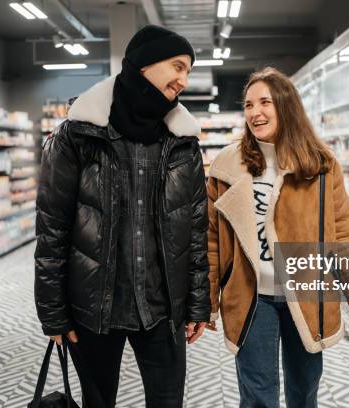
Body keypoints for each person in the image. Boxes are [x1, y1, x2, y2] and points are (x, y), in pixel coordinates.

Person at [34, 25, 210, 408]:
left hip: (162, 309)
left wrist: (197, 304)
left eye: (189, 72)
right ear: (144, 64)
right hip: (94, 307)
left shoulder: (184, 144)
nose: (183, 80)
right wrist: (53, 313)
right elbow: (52, 229)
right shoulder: (76, 136)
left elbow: (195, 231)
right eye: (178, 66)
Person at [206, 67, 349, 408]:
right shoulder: (227, 166)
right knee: (259, 395)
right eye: (248, 105)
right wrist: (206, 302)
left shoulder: (319, 163)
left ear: (286, 106)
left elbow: (342, 233)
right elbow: (212, 240)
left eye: (265, 102)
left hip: (305, 293)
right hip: (251, 296)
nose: (255, 112)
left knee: (304, 391)